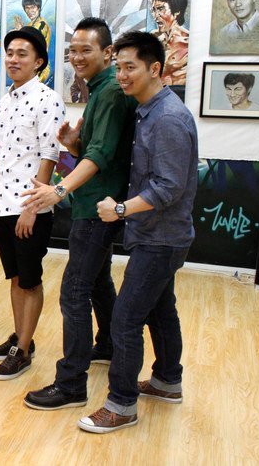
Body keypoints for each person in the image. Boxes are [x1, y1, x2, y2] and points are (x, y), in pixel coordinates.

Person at [77, 31, 198, 434]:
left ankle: (121, 405)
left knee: (125, 318)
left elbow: (168, 187)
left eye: (131, 67)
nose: (123, 76)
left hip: (160, 238)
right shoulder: (150, 111)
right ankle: (167, 380)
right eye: (119, 67)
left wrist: (120, 209)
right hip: (155, 234)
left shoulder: (167, 119)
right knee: (160, 309)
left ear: (155, 69)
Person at [22, 18, 136, 408]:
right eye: (73, 50)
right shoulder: (101, 90)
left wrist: (58, 189)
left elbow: (101, 156)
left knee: (74, 292)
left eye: (86, 49)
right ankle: (108, 344)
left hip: (97, 208)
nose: (77, 57)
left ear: (108, 52)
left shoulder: (110, 94)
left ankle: (71, 384)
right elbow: (96, 149)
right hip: (94, 205)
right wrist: (74, 145)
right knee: (98, 280)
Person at [0, 26, 64, 378]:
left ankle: (24, 350)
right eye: (10, 53)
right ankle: (20, 337)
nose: (13, 59)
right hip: (2, 203)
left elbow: (50, 155)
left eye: (22, 54)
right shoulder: (5, 99)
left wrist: (31, 208)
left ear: (39, 62)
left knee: (29, 280)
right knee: (15, 277)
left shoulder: (48, 99)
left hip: (30, 207)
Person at [149, 0, 189, 98]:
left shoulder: (187, 42)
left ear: (177, 11)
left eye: (160, 9)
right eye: (154, 10)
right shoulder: (153, 39)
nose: (156, 16)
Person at [13, 0, 52, 84]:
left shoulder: (41, 24)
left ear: (39, 8)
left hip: (39, 68)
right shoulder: (31, 24)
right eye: (27, 8)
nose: (30, 11)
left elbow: (30, 45)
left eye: (33, 7)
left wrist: (20, 31)